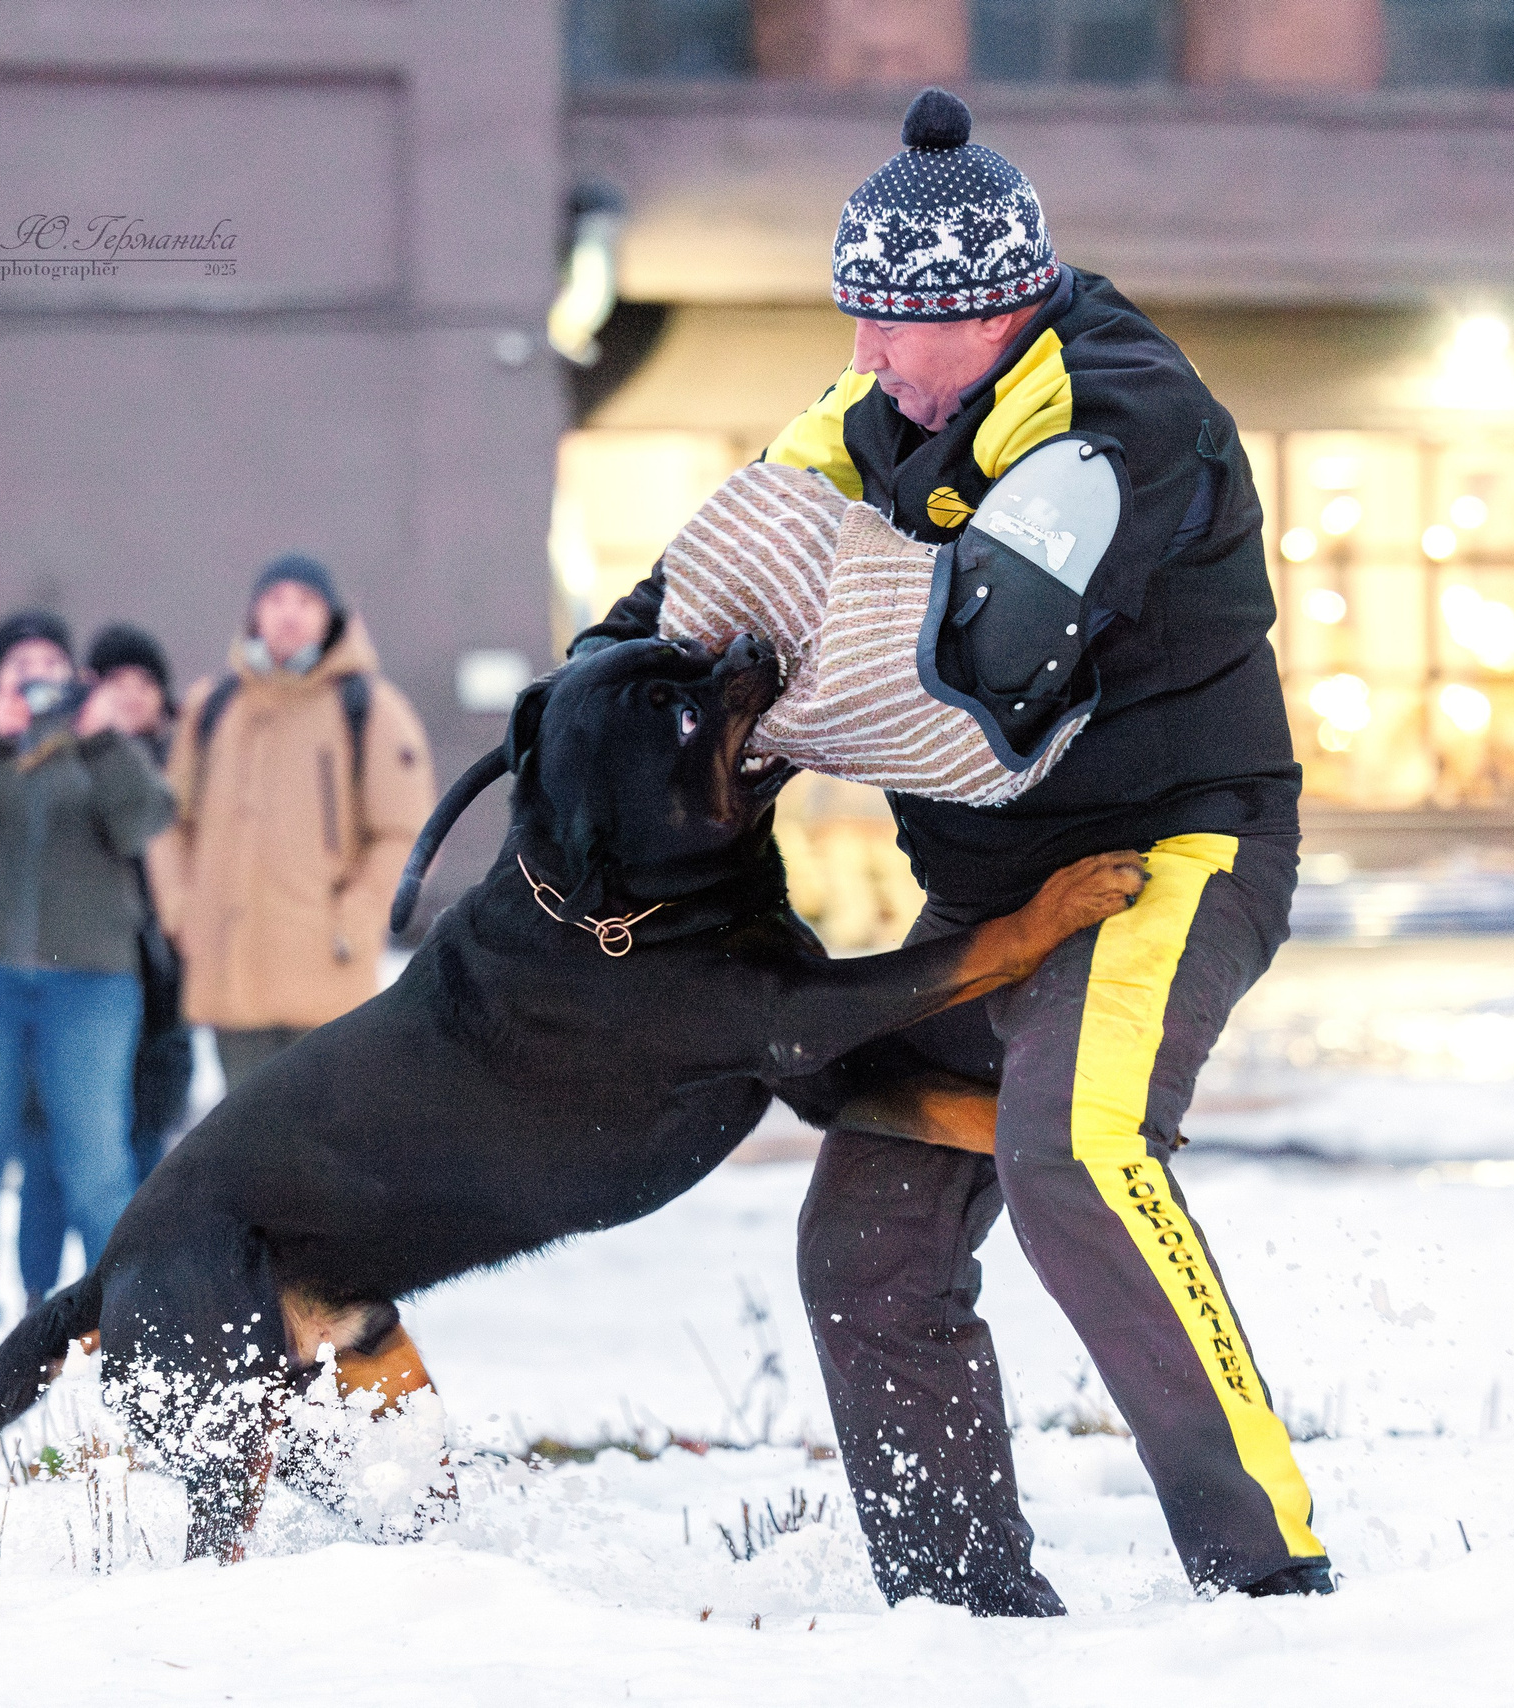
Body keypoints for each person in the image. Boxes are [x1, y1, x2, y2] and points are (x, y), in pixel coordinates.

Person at [576, 88, 1331, 1613]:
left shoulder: (1125, 419)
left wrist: (798, 659)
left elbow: (988, 657)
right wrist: (586, 708)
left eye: (886, 325)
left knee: (1076, 1148)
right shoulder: (866, 423)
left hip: (1179, 861)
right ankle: (965, 1598)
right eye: (851, 320)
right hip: (990, 902)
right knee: (866, 1240)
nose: (860, 355)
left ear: (987, 310)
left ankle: (1267, 1575)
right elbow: (695, 595)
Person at [0, 611, 175, 1370]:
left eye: (50, 664)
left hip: (89, 984)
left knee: (97, 1161)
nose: (36, 679)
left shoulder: (101, 747)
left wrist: (99, 740)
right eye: (18, 666)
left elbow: (145, 820)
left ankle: (122, 1320)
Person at [165, 555, 434, 1092]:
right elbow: (169, 823)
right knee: (242, 1148)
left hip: (326, 981)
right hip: (231, 978)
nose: (289, 615)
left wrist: (353, 921)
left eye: (305, 602)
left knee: (320, 1150)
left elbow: (407, 835)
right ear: (254, 614)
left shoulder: (371, 709)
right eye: (275, 600)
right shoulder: (213, 706)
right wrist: (183, 911)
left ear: (330, 616)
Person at [12, 622, 195, 1310]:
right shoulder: (63, 757)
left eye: (144, 684)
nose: (130, 697)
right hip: (75, 974)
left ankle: (132, 1289)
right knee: (50, 1148)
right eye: (114, 683)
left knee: (142, 1143)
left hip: (156, 986)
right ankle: (38, 1293)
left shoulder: (183, 764)